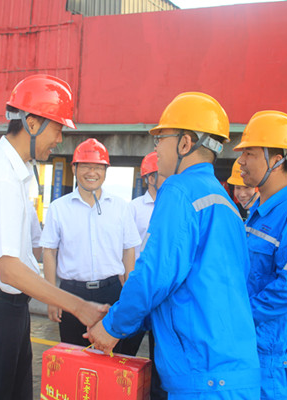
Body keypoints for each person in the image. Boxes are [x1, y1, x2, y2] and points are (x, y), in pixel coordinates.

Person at [86, 92, 260, 399]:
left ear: (184, 143)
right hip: (234, 370)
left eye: (160, 139)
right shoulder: (228, 205)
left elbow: (154, 275)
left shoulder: (179, 190)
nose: (156, 147)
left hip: (201, 373)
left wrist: (112, 327)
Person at [0, 74, 108, 400]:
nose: (59, 140)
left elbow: (25, 254)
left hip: (9, 311)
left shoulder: (17, 174)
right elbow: (9, 270)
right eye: (58, 129)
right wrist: (78, 306)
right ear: (32, 123)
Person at [233, 110, 287, 400]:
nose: (241, 161)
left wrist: (238, 315)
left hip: (270, 352)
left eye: (249, 153)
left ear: (277, 160)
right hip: (250, 342)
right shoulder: (259, 212)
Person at [41, 138, 143, 355]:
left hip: (111, 293)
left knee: (111, 356)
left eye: (98, 167)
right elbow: (49, 252)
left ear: (105, 171)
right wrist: (52, 297)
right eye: (86, 166)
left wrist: (129, 293)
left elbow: (129, 250)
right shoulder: (59, 208)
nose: (92, 172)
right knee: (74, 356)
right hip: (71, 294)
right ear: (74, 168)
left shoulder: (121, 208)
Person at [128, 151, 167, 400]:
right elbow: (126, 250)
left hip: (162, 293)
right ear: (149, 178)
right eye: (162, 175)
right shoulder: (133, 209)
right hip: (139, 289)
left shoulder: (173, 207)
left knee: (160, 354)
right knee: (126, 348)